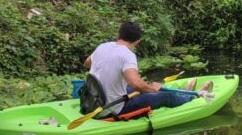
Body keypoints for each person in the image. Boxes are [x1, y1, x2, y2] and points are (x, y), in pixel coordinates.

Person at [84, 21, 212, 118]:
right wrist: (153, 89)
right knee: (164, 96)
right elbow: (136, 83)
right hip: (113, 109)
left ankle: (182, 93)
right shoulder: (127, 55)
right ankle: (193, 98)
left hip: (92, 102)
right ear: (137, 41)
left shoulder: (103, 47)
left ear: (118, 34)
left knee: (138, 90)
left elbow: (87, 64)